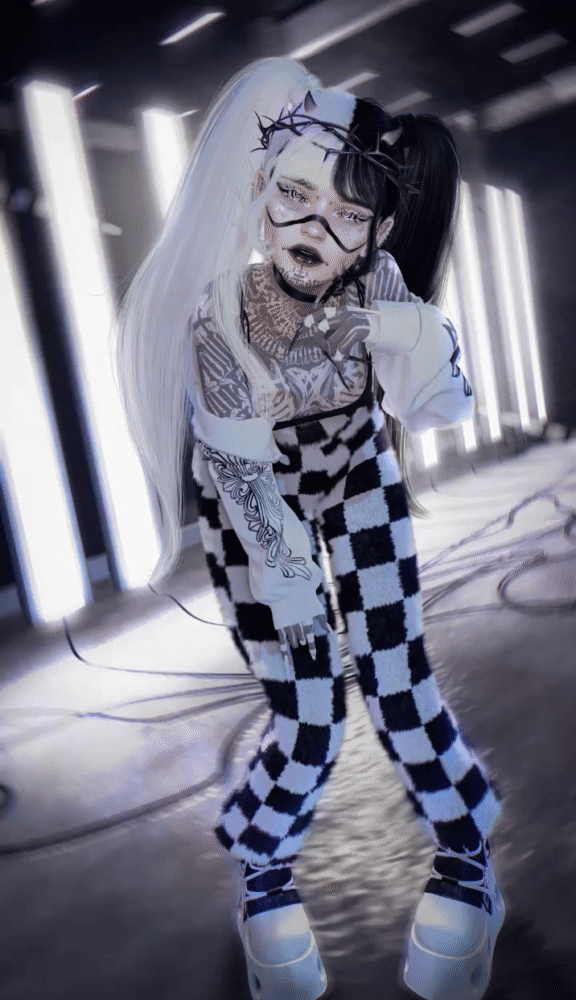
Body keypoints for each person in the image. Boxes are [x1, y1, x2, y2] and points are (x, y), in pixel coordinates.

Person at [113, 57, 506, 1000]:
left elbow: (441, 408)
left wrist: (412, 336)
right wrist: (294, 592)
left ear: (379, 229)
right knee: (311, 710)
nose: (312, 230)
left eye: (347, 215)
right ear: (260, 188)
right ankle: (263, 868)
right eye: (294, 195)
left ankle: (465, 854)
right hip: (252, 506)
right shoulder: (222, 317)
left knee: (400, 683)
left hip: (357, 476)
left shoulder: (381, 288)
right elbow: (244, 477)